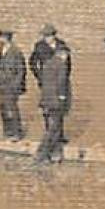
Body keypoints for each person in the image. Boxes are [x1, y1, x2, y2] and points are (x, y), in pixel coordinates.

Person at [32, 26, 71, 164]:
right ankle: (44, 152)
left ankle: (56, 144)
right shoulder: (41, 48)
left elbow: (67, 71)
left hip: (50, 90)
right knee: (53, 124)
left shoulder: (61, 47)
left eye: (48, 36)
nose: (46, 38)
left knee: (56, 121)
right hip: (53, 92)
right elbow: (33, 63)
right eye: (45, 36)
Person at [0, 30, 27, 141]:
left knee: (12, 108)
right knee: (3, 108)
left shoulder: (16, 51)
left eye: (0, 37)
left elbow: (21, 70)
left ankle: (17, 132)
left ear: (6, 38)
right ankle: (7, 131)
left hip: (11, 85)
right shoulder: (1, 50)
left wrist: (16, 84)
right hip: (2, 84)